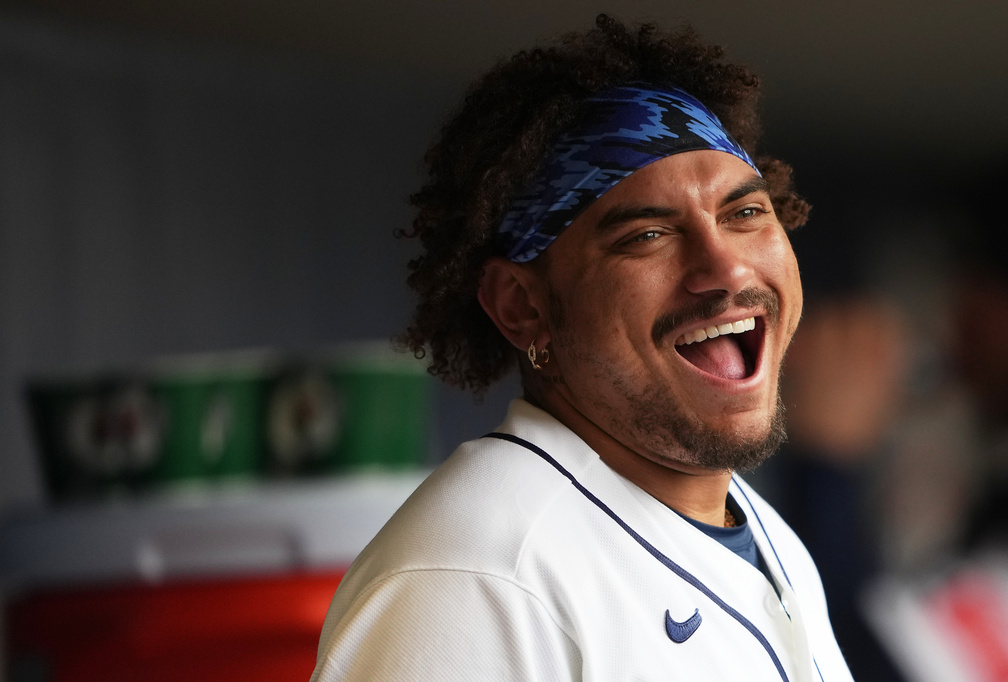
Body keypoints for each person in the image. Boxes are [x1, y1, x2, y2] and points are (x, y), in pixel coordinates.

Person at [311, 15, 853, 681]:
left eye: (744, 214)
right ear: (523, 305)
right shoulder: (474, 583)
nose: (727, 269)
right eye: (646, 235)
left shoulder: (765, 535)